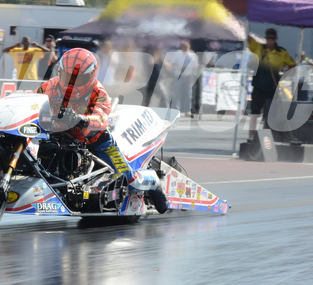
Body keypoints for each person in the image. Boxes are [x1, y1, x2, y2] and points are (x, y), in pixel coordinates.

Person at [36, 47, 169, 213]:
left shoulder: (98, 92)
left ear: (90, 76)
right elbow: (30, 103)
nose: (71, 82)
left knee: (131, 179)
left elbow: (102, 119)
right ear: (60, 72)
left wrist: (81, 119)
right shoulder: (49, 86)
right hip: (58, 136)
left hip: (96, 140)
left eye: (78, 78)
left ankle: (153, 181)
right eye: (67, 76)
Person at [246, 28, 296, 139]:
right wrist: (245, 27)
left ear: (276, 38)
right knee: (254, 113)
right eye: (268, 37)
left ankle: (265, 137)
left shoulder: (281, 52)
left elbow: (293, 65)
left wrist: (283, 77)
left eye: (272, 37)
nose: (270, 40)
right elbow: (247, 37)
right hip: (258, 86)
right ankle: (251, 137)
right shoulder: (258, 47)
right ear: (265, 38)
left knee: (268, 115)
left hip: (272, 87)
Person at [164, 40, 199, 118]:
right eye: (184, 46)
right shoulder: (178, 54)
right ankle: (176, 110)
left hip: (188, 76)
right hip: (178, 76)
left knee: (188, 94)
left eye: (187, 47)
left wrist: (192, 76)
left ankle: (187, 110)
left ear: (189, 47)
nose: (185, 48)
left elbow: (196, 66)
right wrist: (180, 68)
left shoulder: (192, 55)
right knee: (177, 93)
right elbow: (173, 64)